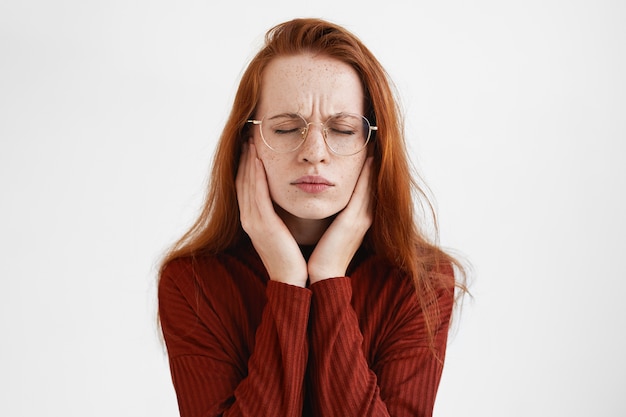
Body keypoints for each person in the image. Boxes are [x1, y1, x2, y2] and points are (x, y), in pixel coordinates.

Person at [158, 17, 467, 417]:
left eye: (341, 129)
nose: (314, 151)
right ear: (248, 140)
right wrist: (287, 282)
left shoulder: (422, 284)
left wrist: (329, 281)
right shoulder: (193, 284)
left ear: (373, 147)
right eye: (287, 129)